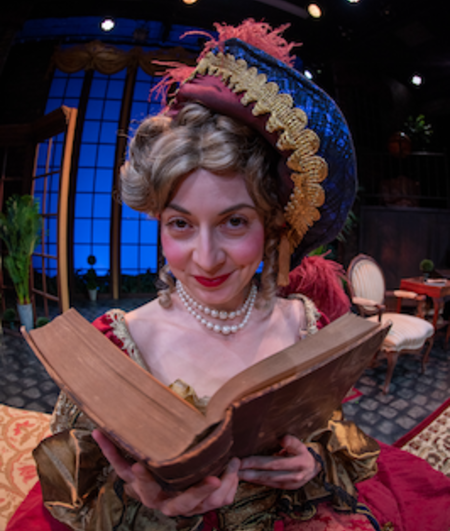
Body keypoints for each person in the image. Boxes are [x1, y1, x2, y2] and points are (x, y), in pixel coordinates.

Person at [6, 20, 450, 531]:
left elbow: (331, 433)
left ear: (272, 224)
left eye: (234, 221)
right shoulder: (117, 347)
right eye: (180, 224)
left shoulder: (306, 319)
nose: (207, 257)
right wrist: (143, 502)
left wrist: (312, 462)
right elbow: (69, 494)